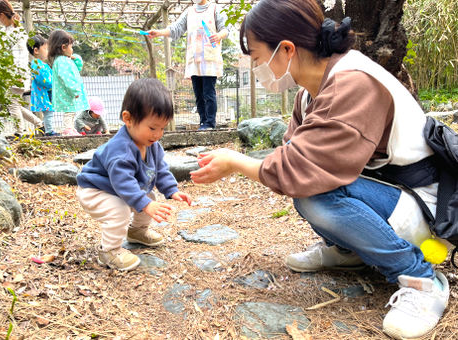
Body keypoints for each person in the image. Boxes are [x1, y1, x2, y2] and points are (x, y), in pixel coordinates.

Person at [190, 0, 450, 339]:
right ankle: (349, 251)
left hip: (423, 204)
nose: (256, 67)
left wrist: (236, 162)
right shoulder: (309, 95)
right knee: (307, 192)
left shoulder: (353, 83)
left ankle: (421, 279)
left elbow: (297, 170)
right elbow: (294, 157)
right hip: (387, 195)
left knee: (314, 197)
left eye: (255, 58)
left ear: (285, 49)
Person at [76, 78, 192, 271]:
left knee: (149, 196)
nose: (158, 134)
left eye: (162, 128)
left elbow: (160, 170)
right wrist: (145, 204)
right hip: (94, 190)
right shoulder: (120, 150)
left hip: (114, 188)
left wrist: (172, 190)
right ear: (128, 119)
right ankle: (109, 251)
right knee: (120, 210)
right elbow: (123, 182)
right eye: (153, 127)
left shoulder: (152, 145)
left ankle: (137, 231)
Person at [148, 0, 228, 130]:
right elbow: (176, 28)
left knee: (208, 92)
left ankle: (210, 123)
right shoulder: (189, 12)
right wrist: (159, 33)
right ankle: (203, 122)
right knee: (198, 94)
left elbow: (225, 28)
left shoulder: (215, 9)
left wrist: (219, 36)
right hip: (194, 59)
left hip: (209, 58)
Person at [0, 0, 45, 137]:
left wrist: (18, 74)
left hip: (16, 73)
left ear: (1, 15)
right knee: (14, 104)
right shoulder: (6, 30)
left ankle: (19, 133)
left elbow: (20, 56)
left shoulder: (17, 32)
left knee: (13, 104)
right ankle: (39, 124)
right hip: (9, 73)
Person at [48, 29, 89, 136]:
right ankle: (68, 130)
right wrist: (74, 91)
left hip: (68, 92)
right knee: (69, 111)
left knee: (71, 111)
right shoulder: (62, 61)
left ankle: (70, 128)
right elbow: (67, 78)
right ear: (63, 47)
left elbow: (77, 68)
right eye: (71, 47)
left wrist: (75, 59)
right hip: (68, 93)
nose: (72, 49)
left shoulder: (63, 60)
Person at [26, 35, 59, 136]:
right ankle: (49, 131)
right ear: (36, 50)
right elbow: (45, 81)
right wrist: (55, 83)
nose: (47, 51)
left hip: (45, 94)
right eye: (45, 48)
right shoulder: (37, 65)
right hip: (43, 94)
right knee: (48, 112)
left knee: (48, 113)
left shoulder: (40, 64)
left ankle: (45, 130)